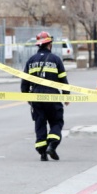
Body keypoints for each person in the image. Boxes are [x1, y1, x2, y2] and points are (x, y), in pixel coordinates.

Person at [21, 31, 70, 161]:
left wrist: (27, 96)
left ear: (39, 45)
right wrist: (66, 97)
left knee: (40, 122)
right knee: (56, 121)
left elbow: (24, 82)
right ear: (49, 44)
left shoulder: (31, 61)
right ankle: (52, 146)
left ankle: (42, 152)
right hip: (53, 96)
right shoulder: (55, 60)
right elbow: (63, 81)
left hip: (36, 97)